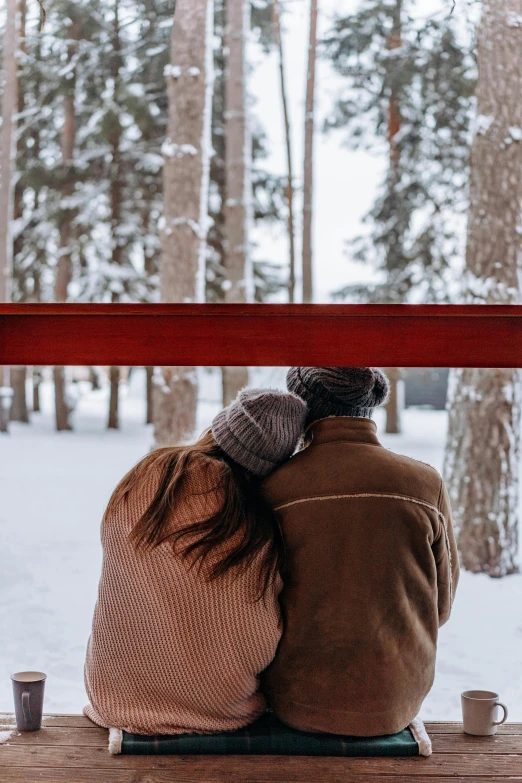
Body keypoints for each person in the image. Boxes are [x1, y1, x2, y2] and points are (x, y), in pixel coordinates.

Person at [84, 388, 306, 736]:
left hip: (116, 693)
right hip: (222, 706)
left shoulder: (154, 472)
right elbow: (261, 633)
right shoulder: (258, 523)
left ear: (219, 429)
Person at [262, 367, 459, 737]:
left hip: (296, 702)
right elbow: (441, 607)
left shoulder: (275, 487)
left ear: (303, 409)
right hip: (395, 705)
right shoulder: (424, 483)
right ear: (369, 406)